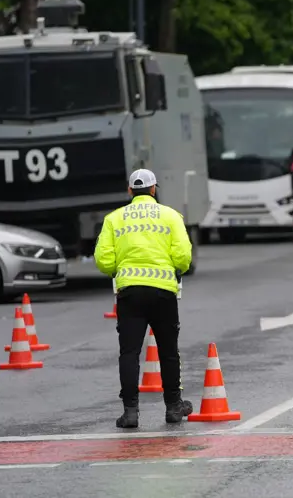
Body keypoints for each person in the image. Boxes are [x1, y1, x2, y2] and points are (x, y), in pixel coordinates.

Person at [94, 168, 194, 428]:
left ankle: (130, 413)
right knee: (168, 352)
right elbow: (183, 256)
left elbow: (103, 260)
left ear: (130, 191)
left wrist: (119, 268)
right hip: (163, 292)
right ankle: (173, 407)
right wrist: (174, 269)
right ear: (153, 189)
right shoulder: (171, 216)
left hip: (130, 293)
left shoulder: (114, 219)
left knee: (129, 353)